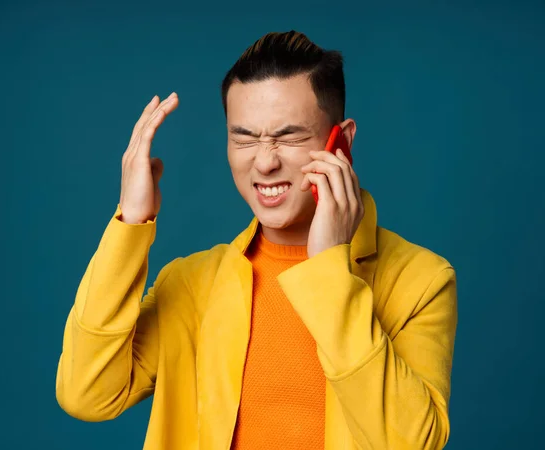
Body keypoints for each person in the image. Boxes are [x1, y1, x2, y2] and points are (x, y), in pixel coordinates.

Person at [56, 30, 458, 450]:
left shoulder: (422, 282)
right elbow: (86, 393)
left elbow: (412, 443)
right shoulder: (192, 285)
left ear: (342, 142)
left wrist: (328, 274)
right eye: (244, 138)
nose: (264, 162)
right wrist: (131, 222)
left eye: (289, 136)